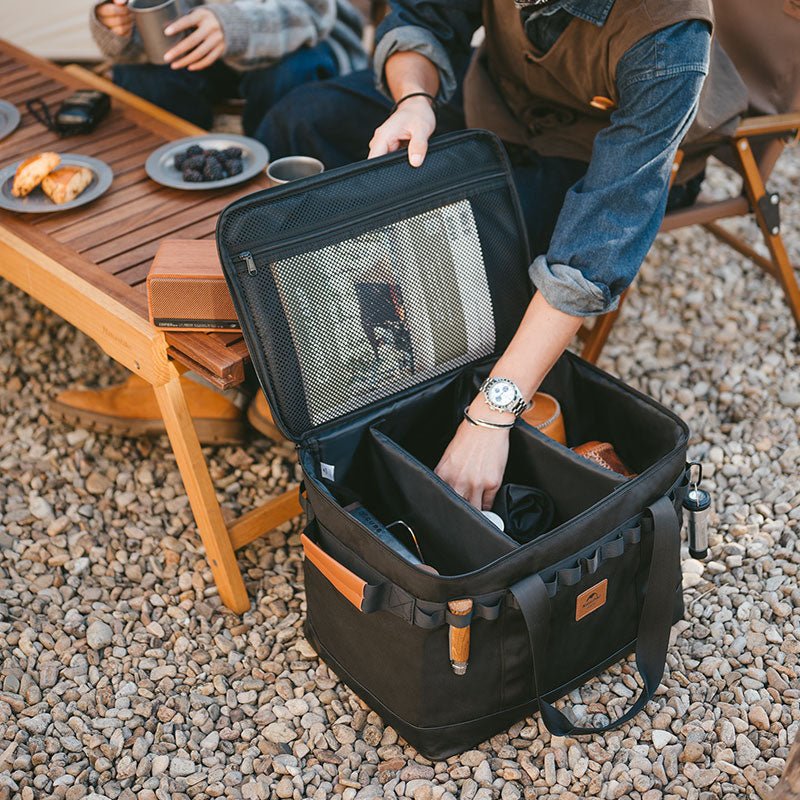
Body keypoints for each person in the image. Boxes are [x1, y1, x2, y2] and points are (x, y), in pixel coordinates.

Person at [251, 0, 747, 508]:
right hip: (499, 101)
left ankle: (398, 404)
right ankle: (304, 358)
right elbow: (422, 17)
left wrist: (491, 414)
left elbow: (589, 254)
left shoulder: (670, 38)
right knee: (301, 121)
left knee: (481, 270)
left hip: (593, 151)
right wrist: (415, 100)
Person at [90, 0, 366, 136]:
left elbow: (312, 12)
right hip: (207, 46)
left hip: (298, 38)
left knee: (285, 72)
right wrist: (118, 24)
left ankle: (268, 176)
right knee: (139, 72)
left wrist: (234, 27)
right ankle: (187, 160)